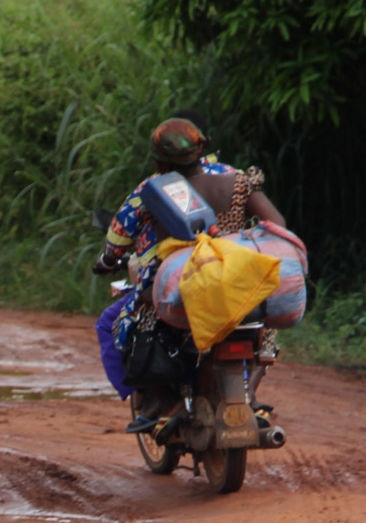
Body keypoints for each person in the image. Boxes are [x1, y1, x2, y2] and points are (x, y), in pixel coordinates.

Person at [93, 116, 286, 432]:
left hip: (184, 294)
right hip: (238, 289)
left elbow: (118, 238)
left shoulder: (152, 191)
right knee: (261, 326)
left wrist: (107, 260)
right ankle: (249, 397)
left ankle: (163, 402)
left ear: (158, 160)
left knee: (121, 324)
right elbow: (277, 226)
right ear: (203, 149)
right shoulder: (236, 180)